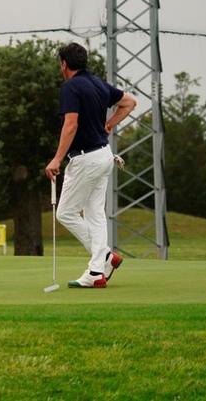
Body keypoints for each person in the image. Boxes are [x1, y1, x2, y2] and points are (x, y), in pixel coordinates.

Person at [45, 42, 137, 288]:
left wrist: (56, 159)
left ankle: (102, 262)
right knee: (95, 214)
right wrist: (110, 124)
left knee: (65, 212)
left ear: (64, 64)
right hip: (104, 156)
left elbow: (71, 125)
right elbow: (130, 102)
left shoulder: (71, 87)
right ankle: (100, 266)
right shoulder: (97, 83)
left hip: (86, 159)